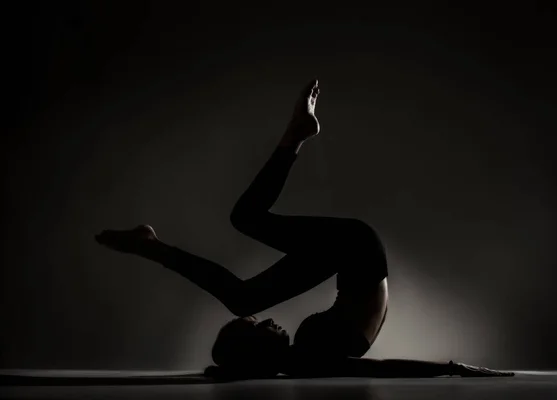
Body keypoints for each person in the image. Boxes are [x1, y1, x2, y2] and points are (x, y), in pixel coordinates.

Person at [95, 80, 514, 379]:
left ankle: (153, 244)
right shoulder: (305, 359)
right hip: (356, 251)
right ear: (257, 353)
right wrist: (453, 370)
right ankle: (152, 245)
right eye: (260, 329)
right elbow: (382, 370)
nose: (269, 322)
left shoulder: (301, 355)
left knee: (243, 254)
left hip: (354, 253)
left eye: (259, 323)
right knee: (243, 264)